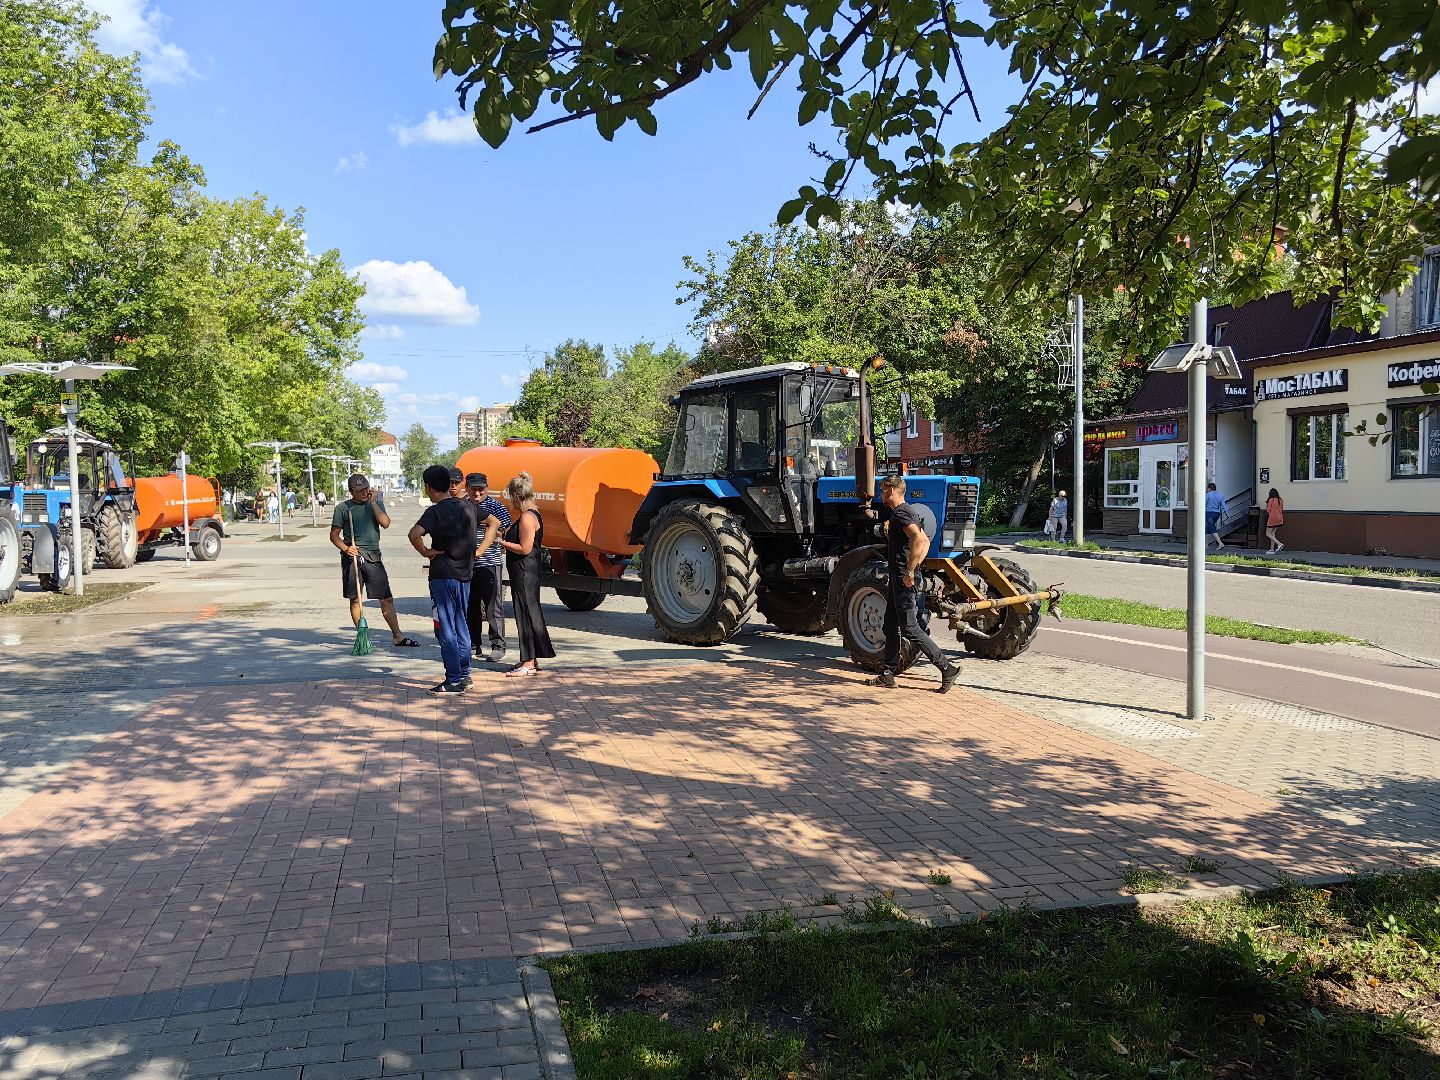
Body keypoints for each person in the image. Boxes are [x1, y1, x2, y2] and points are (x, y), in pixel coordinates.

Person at [871, 474, 962, 692]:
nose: (881, 495)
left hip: (903, 578)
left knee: (910, 628)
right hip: (900, 576)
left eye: (883, 490)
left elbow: (919, 540)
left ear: (892, 490)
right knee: (890, 624)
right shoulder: (907, 511)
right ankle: (888, 673)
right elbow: (927, 541)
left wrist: (910, 571)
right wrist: (916, 567)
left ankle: (946, 668)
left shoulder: (901, 513)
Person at [409, 464, 479, 693]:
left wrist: (426, 551)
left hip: (442, 575)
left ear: (429, 487)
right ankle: (465, 674)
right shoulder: (468, 507)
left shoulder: (435, 511)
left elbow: (414, 534)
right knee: (462, 625)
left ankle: (453, 679)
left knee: (446, 628)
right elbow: (493, 524)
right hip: (465, 575)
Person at [330, 474, 420, 649]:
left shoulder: (375, 503)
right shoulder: (342, 508)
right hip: (352, 557)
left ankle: (397, 636)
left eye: (366, 489)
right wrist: (346, 548)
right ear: (351, 492)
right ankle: (362, 637)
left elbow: (386, 523)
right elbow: (334, 536)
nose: (364, 493)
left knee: (386, 598)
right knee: (355, 599)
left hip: (373, 557)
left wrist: (372, 503)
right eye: (359, 491)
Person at [498, 472, 555, 677]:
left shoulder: (527, 517)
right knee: (529, 611)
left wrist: (501, 542)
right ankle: (530, 658)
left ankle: (528, 662)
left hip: (525, 571)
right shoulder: (533, 514)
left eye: (511, 498)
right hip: (525, 570)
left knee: (526, 612)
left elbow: (524, 547)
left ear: (516, 496)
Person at [466, 472, 511, 662]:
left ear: (486, 487)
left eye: (481, 489)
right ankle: (474, 644)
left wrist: (494, 530)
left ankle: (498, 646)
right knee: (470, 607)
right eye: (473, 489)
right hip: (467, 565)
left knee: (493, 607)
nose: (477, 493)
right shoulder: (463, 505)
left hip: (490, 564)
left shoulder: (496, 506)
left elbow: (506, 531)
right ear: (467, 488)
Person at [1204, 482, 1226, 549]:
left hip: (1209, 513)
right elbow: (1224, 506)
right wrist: (1227, 514)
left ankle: (1220, 543)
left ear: (1209, 488)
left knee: (1212, 528)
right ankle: (1205, 545)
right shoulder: (1220, 495)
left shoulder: (1207, 495)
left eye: (1207, 489)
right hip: (1216, 514)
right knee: (1207, 529)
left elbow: (1203, 503)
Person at [1265, 487, 1285, 554]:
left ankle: (1279, 544)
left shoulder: (1271, 500)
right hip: (1279, 519)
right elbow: (1282, 510)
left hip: (1272, 519)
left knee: (1267, 533)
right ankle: (1272, 549)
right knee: (1272, 534)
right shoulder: (1280, 500)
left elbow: (1268, 510)